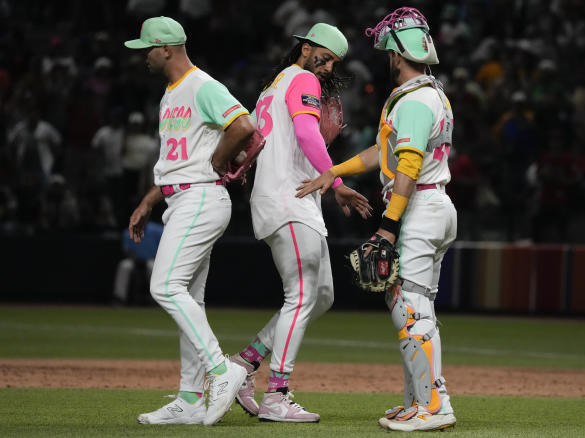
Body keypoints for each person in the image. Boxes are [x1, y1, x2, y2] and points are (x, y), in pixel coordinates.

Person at [297, 7, 457, 432]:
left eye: (388, 51)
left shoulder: (415, 100)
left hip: (420, 205)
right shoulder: (425, 94)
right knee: (411, 304)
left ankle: (435, 406)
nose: (385, 57)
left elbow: (407, 165)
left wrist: (388, 226)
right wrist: (335, 170)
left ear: (396, 54)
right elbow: (382, 155)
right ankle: (418, 400)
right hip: (431, 204)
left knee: (411, 307)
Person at [229, 23, 371, 423]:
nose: (326, 67)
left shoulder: (273, 87)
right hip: (289, 198)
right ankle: (276, 393)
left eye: (333, 63)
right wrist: (338, 183)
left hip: (293, 198)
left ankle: (245, 362)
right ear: (306, 48)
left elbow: (257, 145)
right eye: (323, 57)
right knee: (303, 294)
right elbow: (308, 133)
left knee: (320, 294)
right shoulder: (302, 78)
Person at [124, 16, 254, 426]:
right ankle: (189, 398)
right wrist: (148, 200)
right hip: (181, 197)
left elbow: (245, 125)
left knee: (164, 285)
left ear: (166, 48)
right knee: (189, 300)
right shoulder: (170, 95)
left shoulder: (202, 85)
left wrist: (218, 160)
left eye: (147, 48)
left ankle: (221, 369)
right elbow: (176, 162)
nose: (143, 55)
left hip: (201, 197)